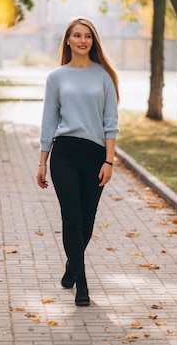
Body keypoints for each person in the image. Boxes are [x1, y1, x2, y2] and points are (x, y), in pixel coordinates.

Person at [36, 17, 120, 307]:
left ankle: (71, 268)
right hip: (65, 155)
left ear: (93, 41)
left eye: (88, 36)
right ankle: (82, 284)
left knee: (87, 221)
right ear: (68, 40)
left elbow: (111, 123)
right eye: (77, 35)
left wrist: (109, 161)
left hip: (95, 155)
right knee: (72, 218)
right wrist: (42, 161)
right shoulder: (56, 78)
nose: (83, 40)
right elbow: (49, 122)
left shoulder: (104, 76)